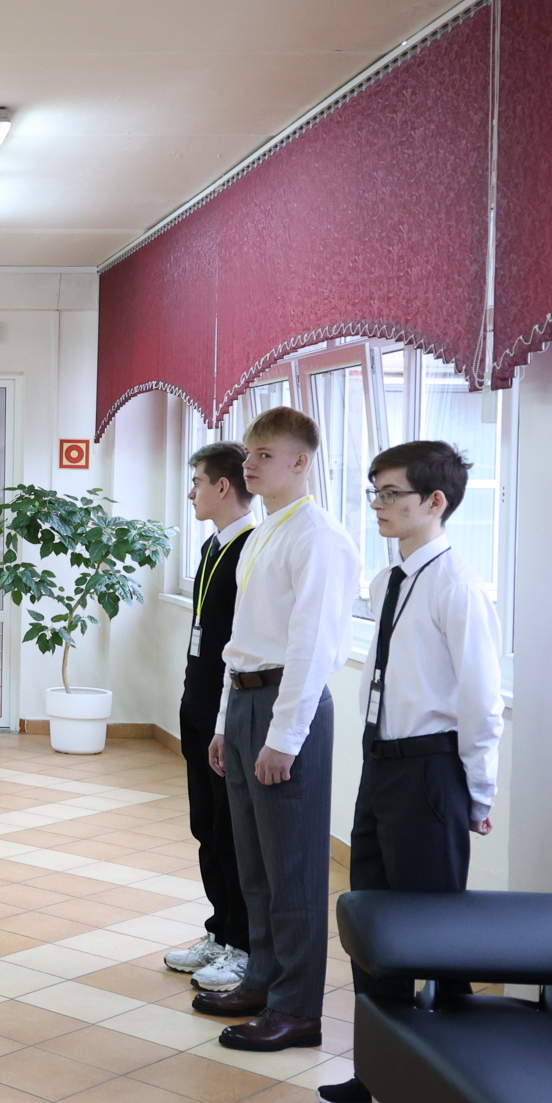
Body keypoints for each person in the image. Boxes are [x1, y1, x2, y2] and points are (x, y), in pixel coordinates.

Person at [319, 439, 504, 1103]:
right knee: (373, 924)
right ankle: (378, 1076)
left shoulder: (458, 585)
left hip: (430, 771)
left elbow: (481, 701)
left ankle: (446, 1094)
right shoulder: (387, 580)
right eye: (375, 492)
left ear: (435, 501)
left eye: (392, 493)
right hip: (382, 764)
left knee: (434, 934)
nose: (379, 505)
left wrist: (478, 792)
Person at [199, 405, 358, 1051]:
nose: (251, 465)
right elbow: (242, 640)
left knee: (293, 868)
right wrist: (223, 723)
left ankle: (297, 1009)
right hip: (245, 700)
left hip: (286, 706)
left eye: (265, 455)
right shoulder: (266, 530)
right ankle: (262, 979)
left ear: (300, 461)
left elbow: (312, 647)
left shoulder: (317, 536)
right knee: (255, 864)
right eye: (248, 454)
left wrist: (283, 738)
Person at [163, 441, 256, 992]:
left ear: (223, 486)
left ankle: (243, 943)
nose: (190, 492)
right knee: (205, 825)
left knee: (229, 830)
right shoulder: (212, 545)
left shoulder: (250, 549)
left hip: (226, 709)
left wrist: (221, 720)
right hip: (197, 701)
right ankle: (220, 931)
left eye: (197, 481)